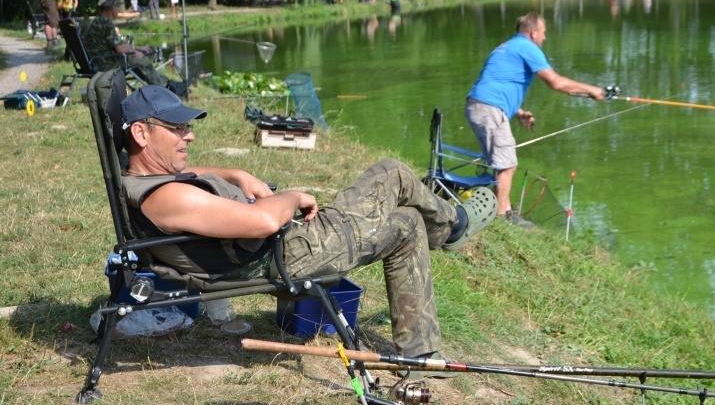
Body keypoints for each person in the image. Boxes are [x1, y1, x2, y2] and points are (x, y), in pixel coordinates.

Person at [117, 85, 498, 364]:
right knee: (395, 176)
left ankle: (421, 353)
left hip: (283, 245)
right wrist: (293, 196)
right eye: (177, 128)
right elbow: (265, 219)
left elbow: (193, 172)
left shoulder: (147, 180)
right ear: (141, 133)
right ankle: (453, 226)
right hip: (289, 254)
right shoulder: (164, 198)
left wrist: (235, 173)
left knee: (407, 219)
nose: (190, 135)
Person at [465, 12, 605, 228]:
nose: (545, 38)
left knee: (503, 162)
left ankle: (504, 210)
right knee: (507, 163)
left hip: (481, 106)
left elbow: (497, 81)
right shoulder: (528, 48)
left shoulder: (506, 46)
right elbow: (556, 82)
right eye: (544, 33)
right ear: (533, 32)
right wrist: (592, 90)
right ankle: (501, 219)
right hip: (489, 108)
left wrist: (518, 112)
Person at [83, 0, 186, 97]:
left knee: (137, 62)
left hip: (100, 61)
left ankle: (168, 84)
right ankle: (168, 89)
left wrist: (137, 48)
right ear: (110, 8)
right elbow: (119, 49)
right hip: (106, 65)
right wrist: (135, 53)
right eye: (117, 7)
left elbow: (118, 44)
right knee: (141, 62)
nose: (118, 9)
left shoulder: (97, 21)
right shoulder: (106, 23)